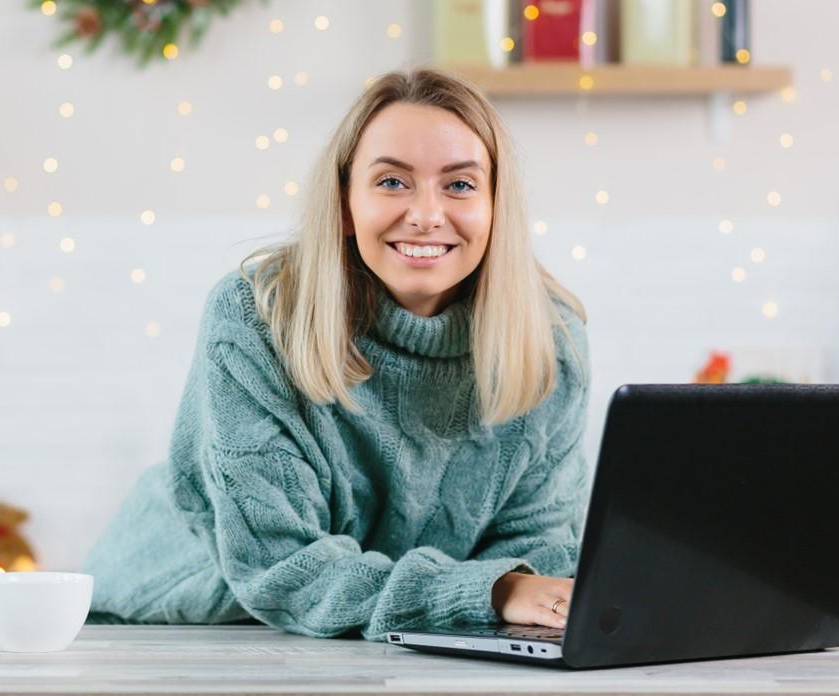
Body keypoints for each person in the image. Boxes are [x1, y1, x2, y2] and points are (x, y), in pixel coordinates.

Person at [82, 66, 590, 641]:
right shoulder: (257, 316)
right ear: (346, 204)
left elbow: (541, 553)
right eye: (393, 182)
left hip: (411, 636)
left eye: (460, 184)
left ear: (497, 205)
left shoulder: (552, 340)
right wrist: (490, 591)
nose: (426, 214)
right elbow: (279, 567)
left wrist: (506, 592)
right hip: (181, 626)